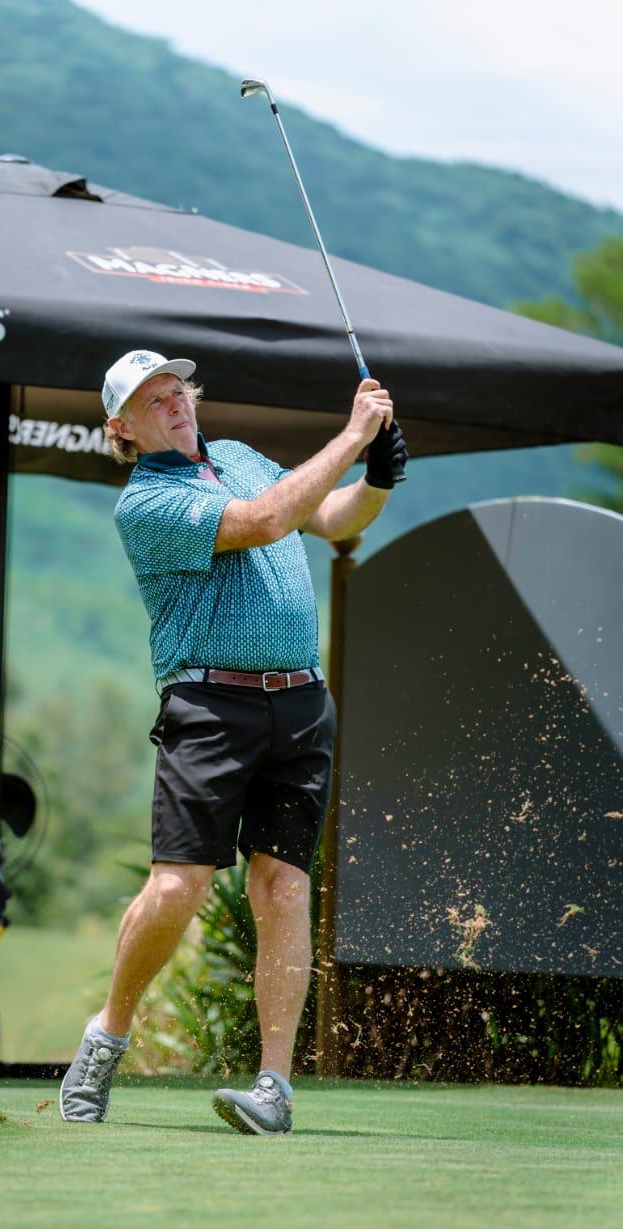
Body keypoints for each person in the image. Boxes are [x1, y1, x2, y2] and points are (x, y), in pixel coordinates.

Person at [59, 349, 407, 1134]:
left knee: (282, 887)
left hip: (301, 703)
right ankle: (106, 1037)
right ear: (122, 428)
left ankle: (274, 1088)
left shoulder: (244, 457)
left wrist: (378, 476)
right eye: (152, 400)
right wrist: (352, 435)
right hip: (210, 704)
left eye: (177, 390)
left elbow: (328, 517)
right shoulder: (145, 503)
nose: (173, 403)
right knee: (180, 886)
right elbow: (267, 520)